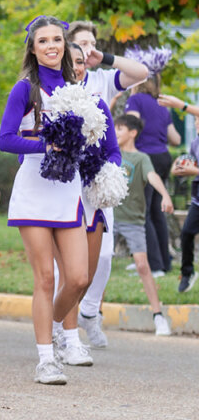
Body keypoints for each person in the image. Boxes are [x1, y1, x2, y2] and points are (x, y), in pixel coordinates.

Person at [0, 15, 91, 385]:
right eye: (44, 41)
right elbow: (5, 139)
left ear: (65, 45)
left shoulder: (76, 88)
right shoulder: (25, 89)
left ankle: (50, 324)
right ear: (33, 49)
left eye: (57, 39)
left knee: (80, 278)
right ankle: (46, 360)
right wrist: (45, 144)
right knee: (45, 278)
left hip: (68, 190)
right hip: (33, 190)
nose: (52, 46)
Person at [64, 22, 148, 348]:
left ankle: (88, 312)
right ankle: (63, 324)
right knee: (71, 255)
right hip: (68, 177)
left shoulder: (100, 79)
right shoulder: (56, 84)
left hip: (98, 178)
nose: (88, 47)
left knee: (104, 256)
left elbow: (140, 72)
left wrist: (107, 57)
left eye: (92, 42)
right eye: (82, 42)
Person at [51, 43, 120, 366]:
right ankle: (69, 338)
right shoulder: (49, 103)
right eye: (70, 61)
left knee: (85, 277)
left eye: (80, 62)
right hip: (61, 192)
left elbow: (113, 149)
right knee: (70, 274)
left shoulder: (98, 103)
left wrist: (108, 172)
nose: (76, 67)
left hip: (92, 194)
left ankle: (52, 325)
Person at [111, 114, 174, 335]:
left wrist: (165, 195)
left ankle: (158, 316)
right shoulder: (110, 151)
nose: (116, 132)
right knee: (97, 266)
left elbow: (152, 176)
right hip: (108, 217)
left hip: (132, 221)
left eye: (120, 129)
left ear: (132, 133)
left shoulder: (141, 158)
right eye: (115, 128)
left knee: (142, 266)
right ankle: (92, 314)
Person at [126, 78, 181, 277]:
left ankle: (154, 266)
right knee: (157, 212)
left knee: (143, 212)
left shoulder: (135, 100)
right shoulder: (161, 106)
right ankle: (163, 263)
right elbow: (176, 139)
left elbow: (131, 124)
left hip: (144, 159)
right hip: (163, 158)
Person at [158, 95, 199, 293]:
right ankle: (188, 272)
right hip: (197, 199)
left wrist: (179, 105)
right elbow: (189, 160)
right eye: (196, 119)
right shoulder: (196, 142)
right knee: (187, 233)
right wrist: (179, 166)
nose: (197, 122)